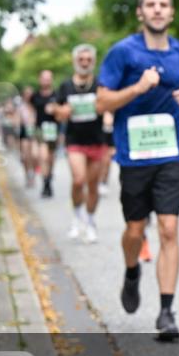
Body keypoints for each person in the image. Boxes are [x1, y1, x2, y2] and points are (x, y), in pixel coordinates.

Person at [96, 0, 179, 340]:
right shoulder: (122, 52)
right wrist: (137, 88)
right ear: (140, 12)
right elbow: (102, 102)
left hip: (171, 154)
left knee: (169, 229)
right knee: (134, 230)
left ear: (171, 13)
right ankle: (132, 272)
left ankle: (166, 311)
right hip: (133, 156)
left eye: (163, 5)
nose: (157, 9)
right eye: (151, 4)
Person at [52, 44, 109, 243]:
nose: (85, 63)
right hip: (74, 140)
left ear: (93, 62)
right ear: (75, 61)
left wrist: (105, 111)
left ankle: (90, 221)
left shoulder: (100, 84)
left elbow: (109, 105)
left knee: (93, 186)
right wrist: (62, 112)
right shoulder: (66, 86)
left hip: (96, 140)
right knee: (78, 180)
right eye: (81, 59)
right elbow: (55, 110)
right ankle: (77, 217)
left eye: (88, 60)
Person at [31, 70, 59, 198]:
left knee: (51, 158)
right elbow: (31, 111)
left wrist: (55, 109)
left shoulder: (57, 95)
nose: (46, 81)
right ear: (40, 79)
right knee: (43, 156)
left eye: (48, 78)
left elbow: (63, 112)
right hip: (40, 129)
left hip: (53, 129)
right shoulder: (35, 96)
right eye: (44, 78)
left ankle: (49, 179)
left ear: (51, 80)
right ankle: (45, 183)